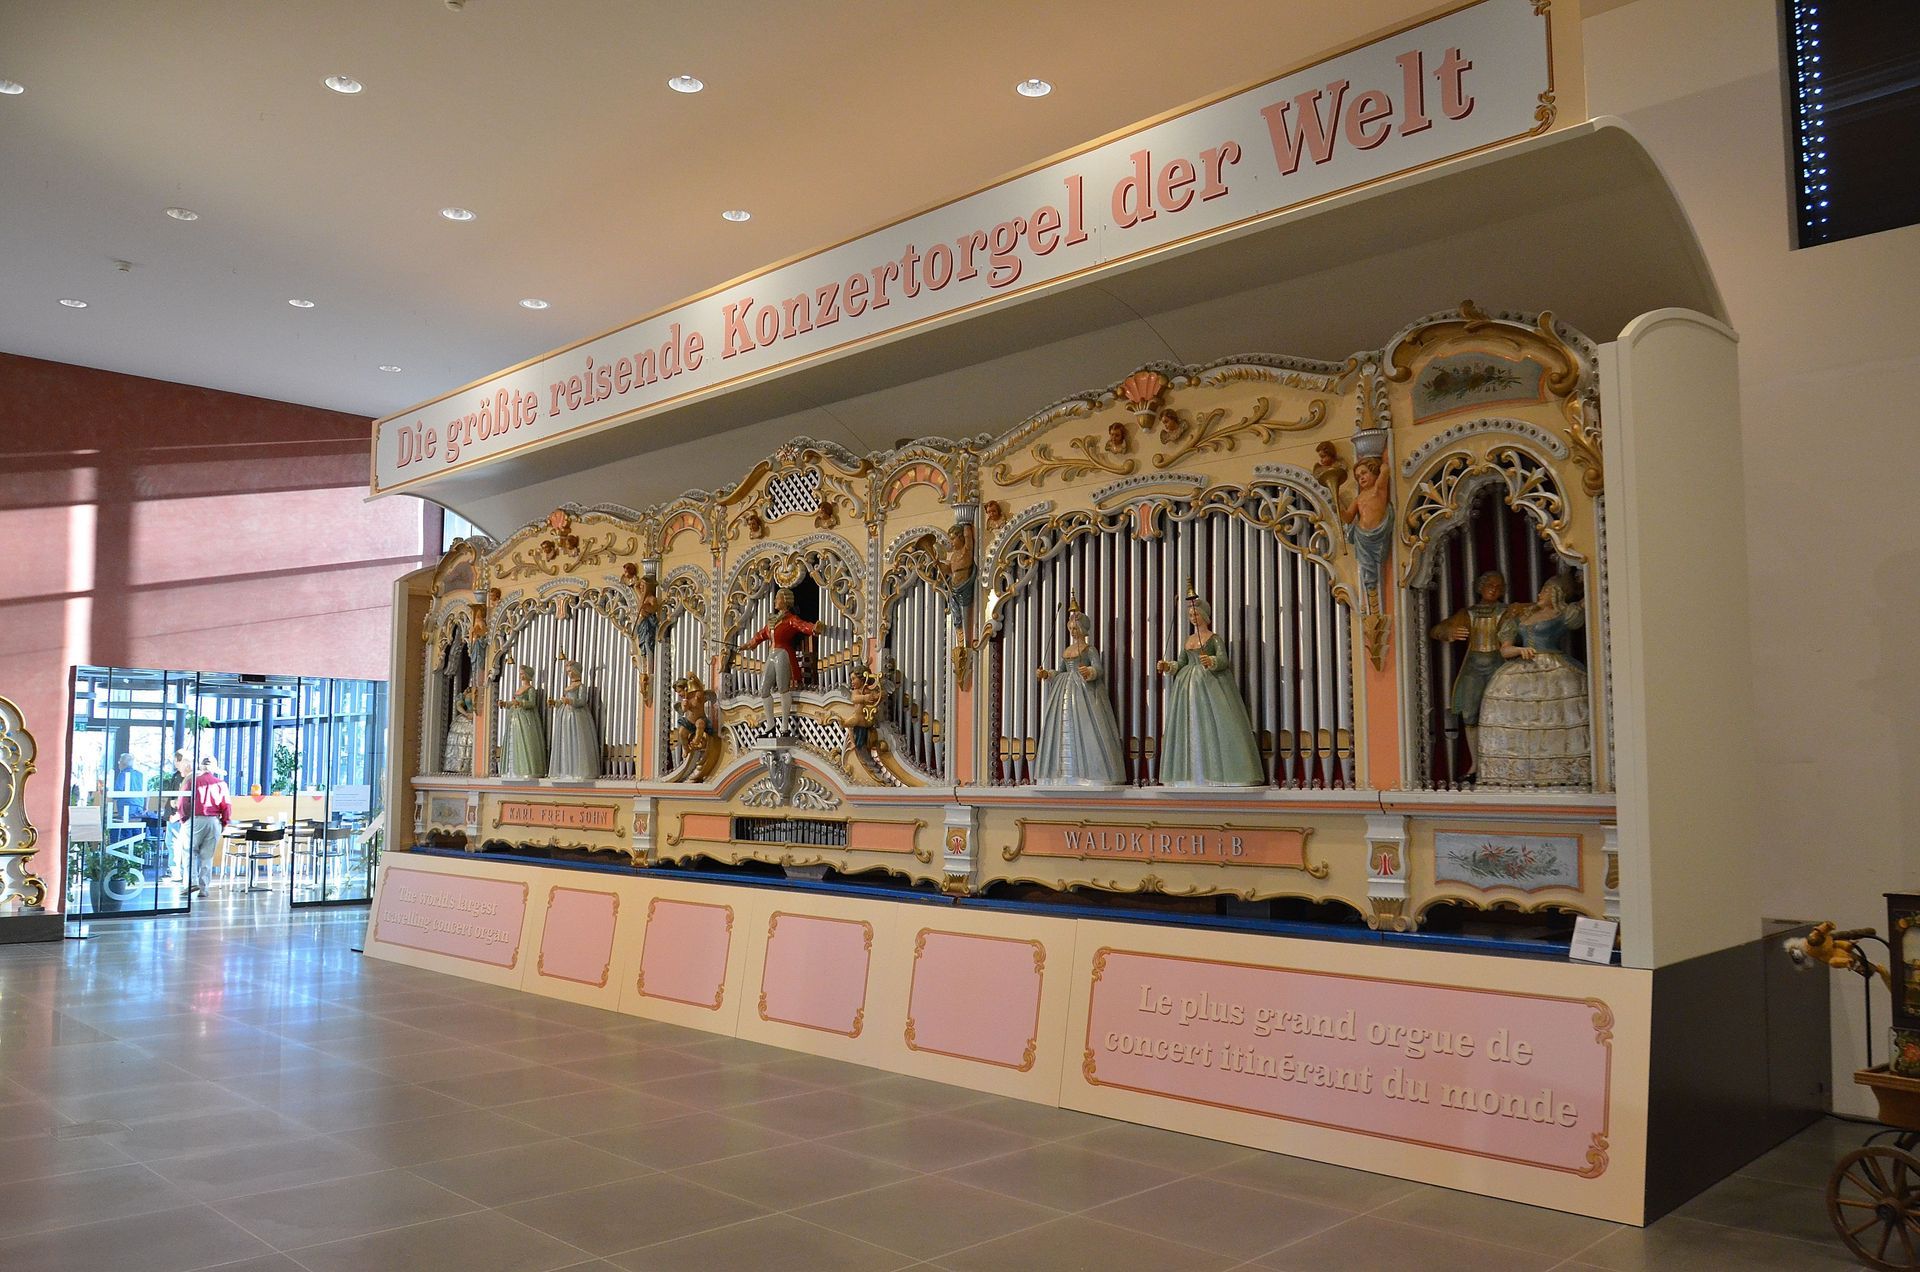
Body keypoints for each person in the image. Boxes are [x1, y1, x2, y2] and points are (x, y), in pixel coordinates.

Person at [1477, 573, 1592, 788]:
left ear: (1557, 593)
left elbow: (1587, 601)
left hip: (1554, 667)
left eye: (1546, 590)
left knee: (1554, 716)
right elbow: (1505, 650)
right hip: (1520, 667)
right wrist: (1519, 650)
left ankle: (1559, 772)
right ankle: (1517, 773)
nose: (1540, 594)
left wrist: (1588, 578)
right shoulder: (1523, 616)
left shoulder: (1563, 613)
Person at [1157, 591, 1264, 786]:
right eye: (1190, 615)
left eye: (1196, 614)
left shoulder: (1213, 638)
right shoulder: (1188, 640)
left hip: (1210, 684)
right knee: (1188, 724)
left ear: (1204, 615)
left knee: (1214, 723)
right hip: (1186, 686)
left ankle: (1221, 773)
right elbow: (1181, 662)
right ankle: (1189, 774)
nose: (1193, 618)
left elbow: (1223, 660)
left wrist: (1211, 660)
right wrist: (1168, 666)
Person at [1429, 570, 1520, 776]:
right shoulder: (1468, 613)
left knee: (1501, 713)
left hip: (1498, 665)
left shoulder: (1507, 612)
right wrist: (1449, 632)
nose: (1494, 590)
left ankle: (1501, 762)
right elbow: (1437, 630)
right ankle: (1476, 764)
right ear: (1480, 587)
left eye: (1498, 587)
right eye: (1489, 585)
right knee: (1470, 713)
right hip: (1473, 668)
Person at [1034, 598, 1128, 786]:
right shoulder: (1067, 650)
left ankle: (1092, 771)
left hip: (1083, 691)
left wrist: (1089, 671)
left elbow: (1098, 669)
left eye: (1076, 628)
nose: (1073, 631)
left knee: (1087, 726)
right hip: (1064, 689)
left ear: (1083, 629)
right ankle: (1060, 773)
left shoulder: (1089, 649)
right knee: (1061, 727)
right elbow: (1060, 671)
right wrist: (1047, 674)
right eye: (1071, 628)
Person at [739, 588, 816, 737]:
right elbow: (760, 635)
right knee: (764, 690)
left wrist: (814, 628)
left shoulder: (791, 619)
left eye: (777, 598)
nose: (775, 601)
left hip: (782, 653)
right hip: (772, 654)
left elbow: (802, 626)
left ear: (785, 601)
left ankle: (784, 727)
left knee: (783, 688)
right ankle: (770, 725)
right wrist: (747, 645)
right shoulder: (773, 621)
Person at [175, 755, 231, 895]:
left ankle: (191, 883)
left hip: (195, 820)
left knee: (189, 852)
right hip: (213, 821)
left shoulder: (191, 781)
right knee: (207, 856)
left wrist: (184, 819)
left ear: (200, 766)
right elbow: (226, 806)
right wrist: (224, 822)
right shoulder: (221, 784)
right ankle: (204, 888)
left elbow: (183, 802)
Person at [547, 659, 601, 781]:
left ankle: (578, 769)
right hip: (566, 716)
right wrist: (555, 702)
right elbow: (562, 700)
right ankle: (566, 769)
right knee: (565, 740)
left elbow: (582, 701)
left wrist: (570, 701)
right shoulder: (568, 687)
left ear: (576, 671)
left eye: (571, 671)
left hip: (577, 716)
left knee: (577, 740)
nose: (569, 673)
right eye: (567, 671)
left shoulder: (581, 686)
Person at [500, 665, 546, 779]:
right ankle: (512, 770)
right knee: (515, 741)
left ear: (527, 675)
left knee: (525, 741)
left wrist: (521, 704)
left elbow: (532, 703)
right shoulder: (519, 689)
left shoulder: (530, 689)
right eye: (520, 673)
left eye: (522, 673)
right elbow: (514, 702)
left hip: (525, 718)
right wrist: (505, 704)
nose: (521, 676)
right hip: (515, 717)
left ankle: (526, 769)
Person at [442, 686, 475, 774]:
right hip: (466, 717)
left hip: (477, 719)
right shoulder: (467, 693)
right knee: (460, 741)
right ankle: (458, 766)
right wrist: (466, 714)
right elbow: (458, 705)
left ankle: (469, 766)